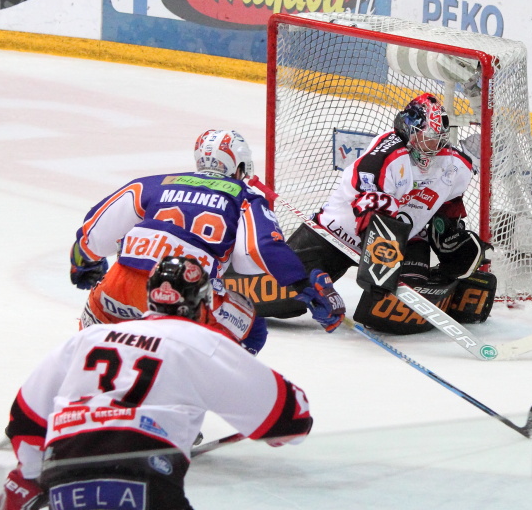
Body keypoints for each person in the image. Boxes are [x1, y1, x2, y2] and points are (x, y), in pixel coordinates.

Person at [0, 256, 314, 510]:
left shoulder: (90, 337)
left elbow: (25, 419)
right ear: (202, 306)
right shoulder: (200, 341)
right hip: (144, 477)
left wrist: (29, 475)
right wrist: (280, 432)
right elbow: (291, 418)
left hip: (65, 477)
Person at [69, 129, 345, 354]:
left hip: (119, 285)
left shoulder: (155, 183)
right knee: (253, 330)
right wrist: (304, 285)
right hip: (186, 293)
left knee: (90, 350)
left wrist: (83, 263)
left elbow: (94, 233)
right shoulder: (244, 196)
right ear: (239, 167)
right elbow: (258, 250)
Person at [272, 93, 495, 334]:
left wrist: (448, 231)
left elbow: (449, 204)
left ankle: (454, 290)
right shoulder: (385, 155)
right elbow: (370, 211)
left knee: (391, 316)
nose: (434, 146)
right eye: (428, 137)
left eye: (438, 139)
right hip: (337, 233)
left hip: (406, 241)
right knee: (279, 299)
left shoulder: (453, 165)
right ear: (409, 129)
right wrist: (381, 263)